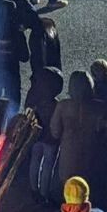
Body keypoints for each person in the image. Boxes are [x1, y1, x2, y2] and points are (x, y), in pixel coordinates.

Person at [51, 70, 107, 198]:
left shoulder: (62, 106)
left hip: (69, 164)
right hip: (95, 164)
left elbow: (55, 132)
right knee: (96, 198)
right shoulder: (101, 108)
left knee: (71, 198)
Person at [26, 66, 65, 202]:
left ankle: (33, 189)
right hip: (51, 140)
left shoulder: (33, 98)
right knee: (48, 166)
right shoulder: (56, 104)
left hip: (36, 136)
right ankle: (44, 194)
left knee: (35, 161)